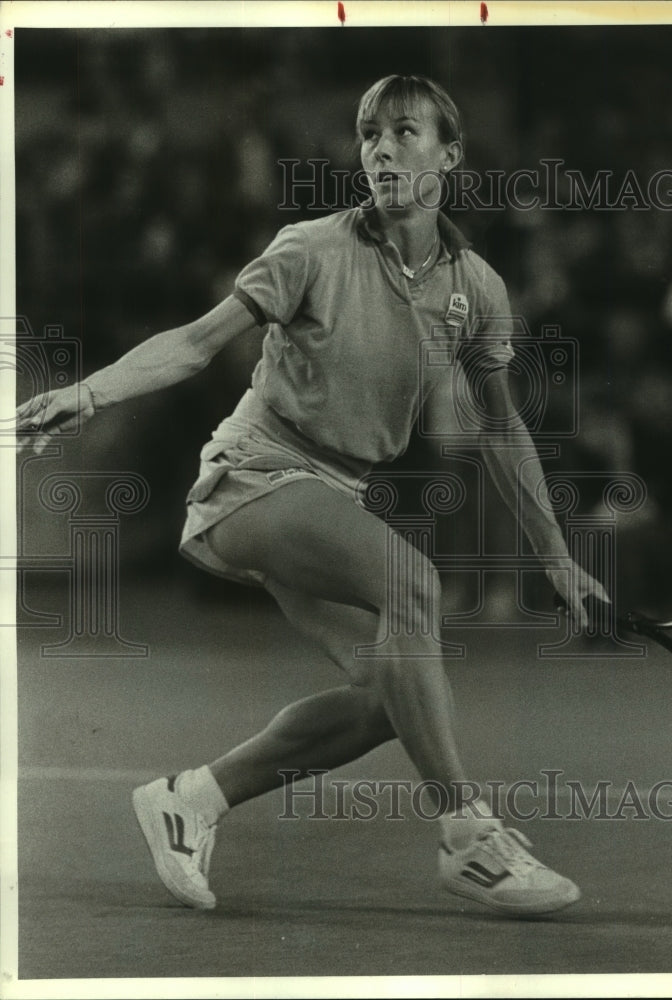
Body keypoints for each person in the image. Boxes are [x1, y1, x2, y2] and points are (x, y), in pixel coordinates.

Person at [17, 75, 608, 917]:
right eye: (370, 134)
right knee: (414, 587)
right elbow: (195, 343)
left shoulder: (475, 288)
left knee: (389, 697)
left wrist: (557, 558)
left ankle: (192, 798)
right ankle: (470, 839)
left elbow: (503, 429)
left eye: (405, 131)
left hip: (332, 491)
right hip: (252, 476)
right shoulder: (311, 249)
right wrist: (90, 393)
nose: (381, 148)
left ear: (451, 153)